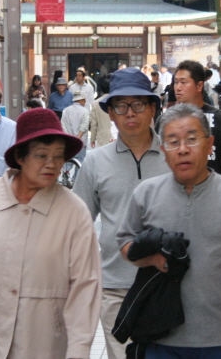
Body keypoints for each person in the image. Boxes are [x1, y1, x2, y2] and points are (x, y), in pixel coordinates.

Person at [117, 104, 221, 358]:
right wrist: (153, 259)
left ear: (210, 143)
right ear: (162, 149)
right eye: (172, 142)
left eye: (192, 139)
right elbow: (125, 242)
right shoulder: (145, 194)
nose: (182, 150)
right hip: (160, 337)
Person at [0, 108, 102, 359]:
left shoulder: (73, 211)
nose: (51, 164)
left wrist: (79, 351)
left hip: (43, 345)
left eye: (58, 156)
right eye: (41, 155)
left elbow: (85, 287)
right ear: (20, 156)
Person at [73, 68, 171, 359]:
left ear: (153, 108)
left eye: (139, 104)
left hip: (170, 284)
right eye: (120, 105)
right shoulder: (95, 163)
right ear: (110, 114)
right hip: (116, 288)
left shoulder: (173, 158)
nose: (130, 113)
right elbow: (79, 226)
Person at [157, 60, 221, 180]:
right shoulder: (166, 120)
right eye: (176, 82)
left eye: (183, 82)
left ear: (199, 86)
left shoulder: (220, 118)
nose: (178, 87)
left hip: (213, 192)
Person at [62, 91, 90, 163]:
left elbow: (62, 124)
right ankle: (77, 175)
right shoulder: (85, 111)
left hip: (69, 142)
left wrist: (69, 137)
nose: (85, 101)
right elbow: (84, 126)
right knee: (80, 162)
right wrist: (78, 137)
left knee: (67, 162)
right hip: (81, 142)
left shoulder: (66, 110)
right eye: (84, 99)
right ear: (80, 100)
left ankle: (66, 174)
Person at [90, 75, 115, 148]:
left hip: (102, 138)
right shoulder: (116, 102)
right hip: (115, 137)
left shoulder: (95, 103)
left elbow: (93, 124)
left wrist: (92, 139)